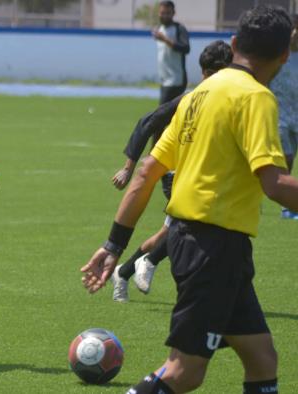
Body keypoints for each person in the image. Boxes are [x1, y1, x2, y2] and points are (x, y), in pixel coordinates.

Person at [81, 5, 297, 393]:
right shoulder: (256, 98)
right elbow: (275, 183)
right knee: (184, 372)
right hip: (214, 247)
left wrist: (114, 242)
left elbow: (147, 171)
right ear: (286, 53)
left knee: (261, 356)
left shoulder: (200, 94)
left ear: (233, 45)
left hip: (190, 240)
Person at [109, 40, 233, 302]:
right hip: (175, 173)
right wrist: (128, 167)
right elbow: (147, 122)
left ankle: (124, 271)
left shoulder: (226, 99)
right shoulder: (192, 98)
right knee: (190, 226)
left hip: (198, 174)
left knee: (172, 232)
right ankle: (150, 262)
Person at [270, 14, 298, 220]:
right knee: (286, 160)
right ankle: (287, 207)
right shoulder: (277, 55)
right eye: (294, 29)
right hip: (281, 116)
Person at [153, 1, 190, 105]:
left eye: (167, 13)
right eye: (162, 13)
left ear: (173, 13)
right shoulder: (160, 29)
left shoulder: (179, 29)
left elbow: (186, 48)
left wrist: (165, 39)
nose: (164, 16)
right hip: (164, 79)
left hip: (176, 80)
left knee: (162, 115)